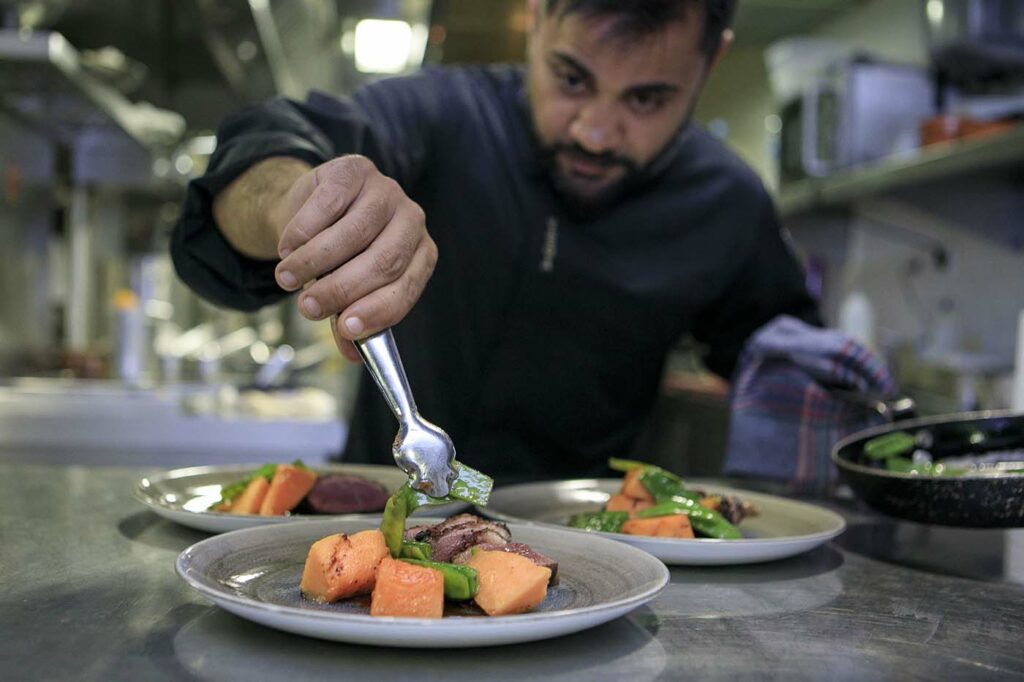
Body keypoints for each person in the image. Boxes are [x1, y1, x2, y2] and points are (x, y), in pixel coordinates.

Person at [172, 0, 821, 484]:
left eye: (647, 99)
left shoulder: (726, 202)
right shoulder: (446, 116)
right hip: (376, 528)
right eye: (571, 79)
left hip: (583, 562)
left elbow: (794, 368)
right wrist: (295, 196)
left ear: (711, 61)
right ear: (536, 19)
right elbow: (266, 149)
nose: (595, 132)